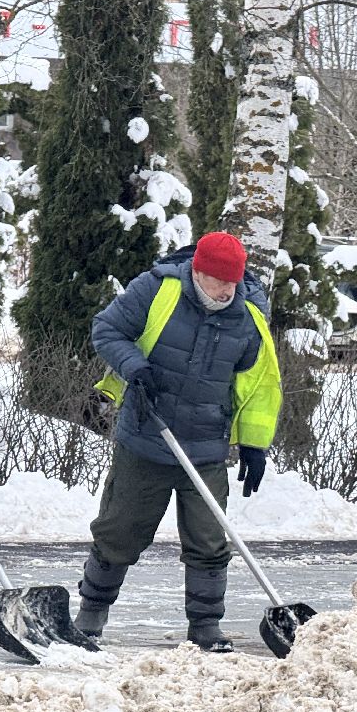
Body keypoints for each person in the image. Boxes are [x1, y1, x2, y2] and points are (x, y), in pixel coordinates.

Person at [75, 231, 283, 653]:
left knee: (210, 539)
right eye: (217, 281)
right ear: (197, 271)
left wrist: (255, 446)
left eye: (233, 282)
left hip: (207, 445)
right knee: (120, 530)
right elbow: (107, 329)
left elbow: (258, 385)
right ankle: (91, 613)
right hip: (146, 437)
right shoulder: (156, 290)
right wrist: (135, 367)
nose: (226, 290)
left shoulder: (249, 314)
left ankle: (206, 625)